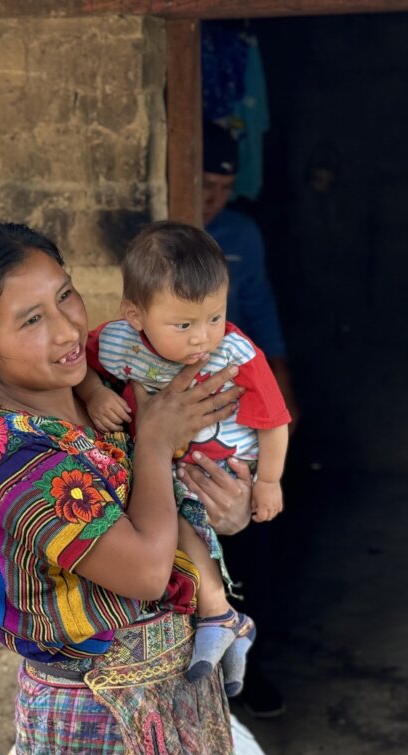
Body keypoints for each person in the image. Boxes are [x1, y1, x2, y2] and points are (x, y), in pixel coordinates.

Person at [0, 221, 258, 755]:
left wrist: (229, 507)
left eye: (65, 296)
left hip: (176, 692)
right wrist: (153, 440)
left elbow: (169, 503)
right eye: (32, 320)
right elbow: (147, 571)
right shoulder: (9, 458)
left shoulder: (99, 386)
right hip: (96, 719)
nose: (67, 330)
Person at [76, 221, 290, 695]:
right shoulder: (117, 343)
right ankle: (220, 618)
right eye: (184, 325)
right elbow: (84, 368)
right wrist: (93, 395)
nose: (203, 339)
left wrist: (269, 483)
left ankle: (223, 619)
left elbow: (274, 421)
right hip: (168, 474)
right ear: (135, 314)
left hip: (230, 469)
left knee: (208, 532)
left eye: (215, 317)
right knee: (173, 521)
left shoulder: (234, 354)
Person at [203, 120, 296, 719]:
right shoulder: (168, 240)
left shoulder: (239, 232)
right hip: (180, 413)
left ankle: (248, 673)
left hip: (237, 417)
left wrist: (284, 391)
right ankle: (202, 684)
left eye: (223, 186)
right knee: (193, 541)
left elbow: (259, 306)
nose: (213, 198)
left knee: (251, 535)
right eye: (204, 184)